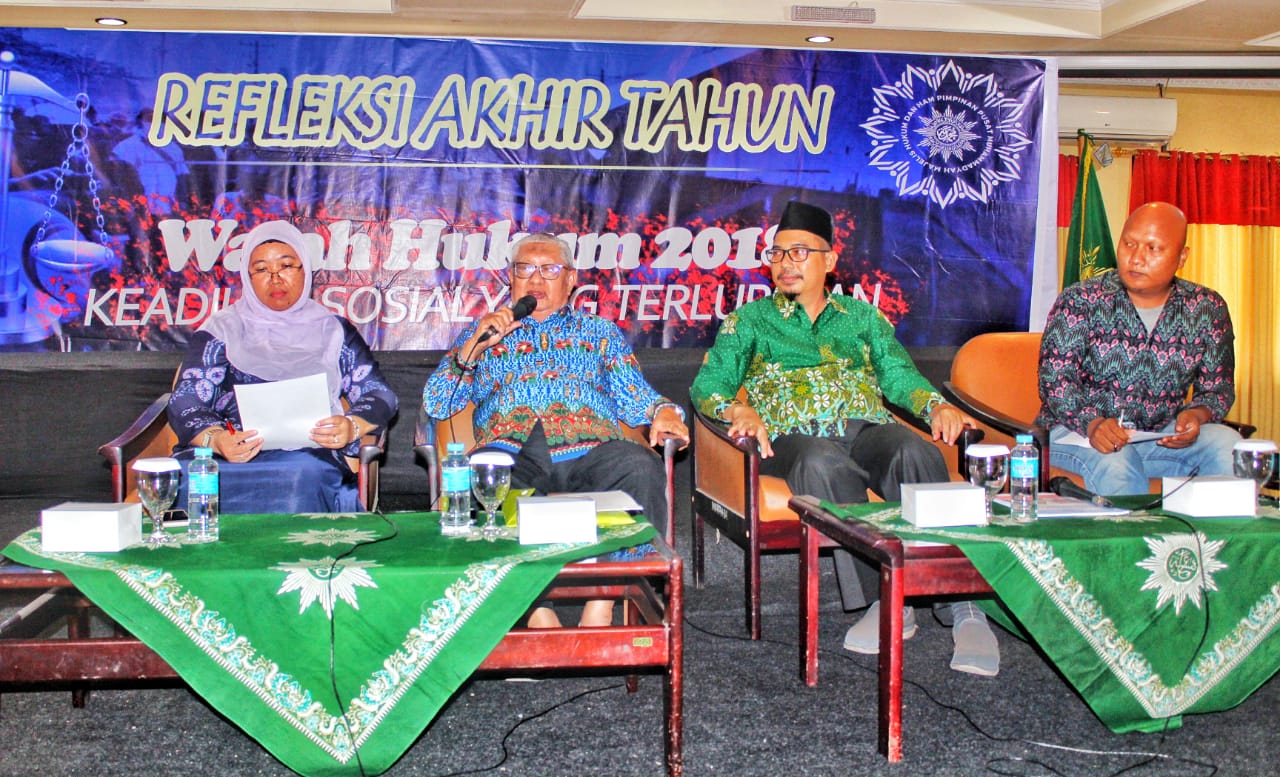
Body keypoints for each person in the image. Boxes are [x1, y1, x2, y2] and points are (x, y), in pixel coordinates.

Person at [690, 200, 999, 676]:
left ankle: (960, 602)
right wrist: (737, 407)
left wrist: (934, 405)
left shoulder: (863, 318)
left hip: (863, 428)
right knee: (820, 463)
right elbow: (707, 387)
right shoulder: (748, 322)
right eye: (777, 254)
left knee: (912, 449)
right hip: (793, 438)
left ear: (829, 261)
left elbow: (899, 378)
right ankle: (888, 598)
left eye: (799, 253)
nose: (785, 263)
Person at [423, 232, 689, 628]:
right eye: (525, 269)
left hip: (592, 446)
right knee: (481, 480)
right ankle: (533, 609)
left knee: (639, 466)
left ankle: (606, 597)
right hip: (510, 448)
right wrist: (473, 349)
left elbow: (637, 396)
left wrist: (665, 411)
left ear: (570, 280)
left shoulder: (598, 332)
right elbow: (438, 405)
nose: (535, 280)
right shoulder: (485, 333)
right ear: (510, 278)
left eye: (549, 270)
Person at [168, 220, 398, 513]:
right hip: (229, 455)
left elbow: (379, 394)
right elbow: (185, 399)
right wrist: (217, 440)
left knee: (303, 476)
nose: (275, 279)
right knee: (195, 478)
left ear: (305, 270)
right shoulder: (221, 330)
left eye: (287, 266)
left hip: (306, 456)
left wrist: (351, 427)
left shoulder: (333, 330)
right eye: (262, 269)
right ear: (247, 277)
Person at [1037, 201, 1240, 495]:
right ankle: (1125, 543)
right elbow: (1055, 382)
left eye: (1153, 248)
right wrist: (1093, 424)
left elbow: (1218, 389)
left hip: (1156, 438)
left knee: (1229, 446)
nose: (1136, 258)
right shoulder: (1081, 300)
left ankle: (1216, 541)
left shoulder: (1206, 309)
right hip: (1076, 434)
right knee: (1118, 460)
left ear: (1182, 256)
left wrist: (1196, 416)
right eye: (1129, 244)